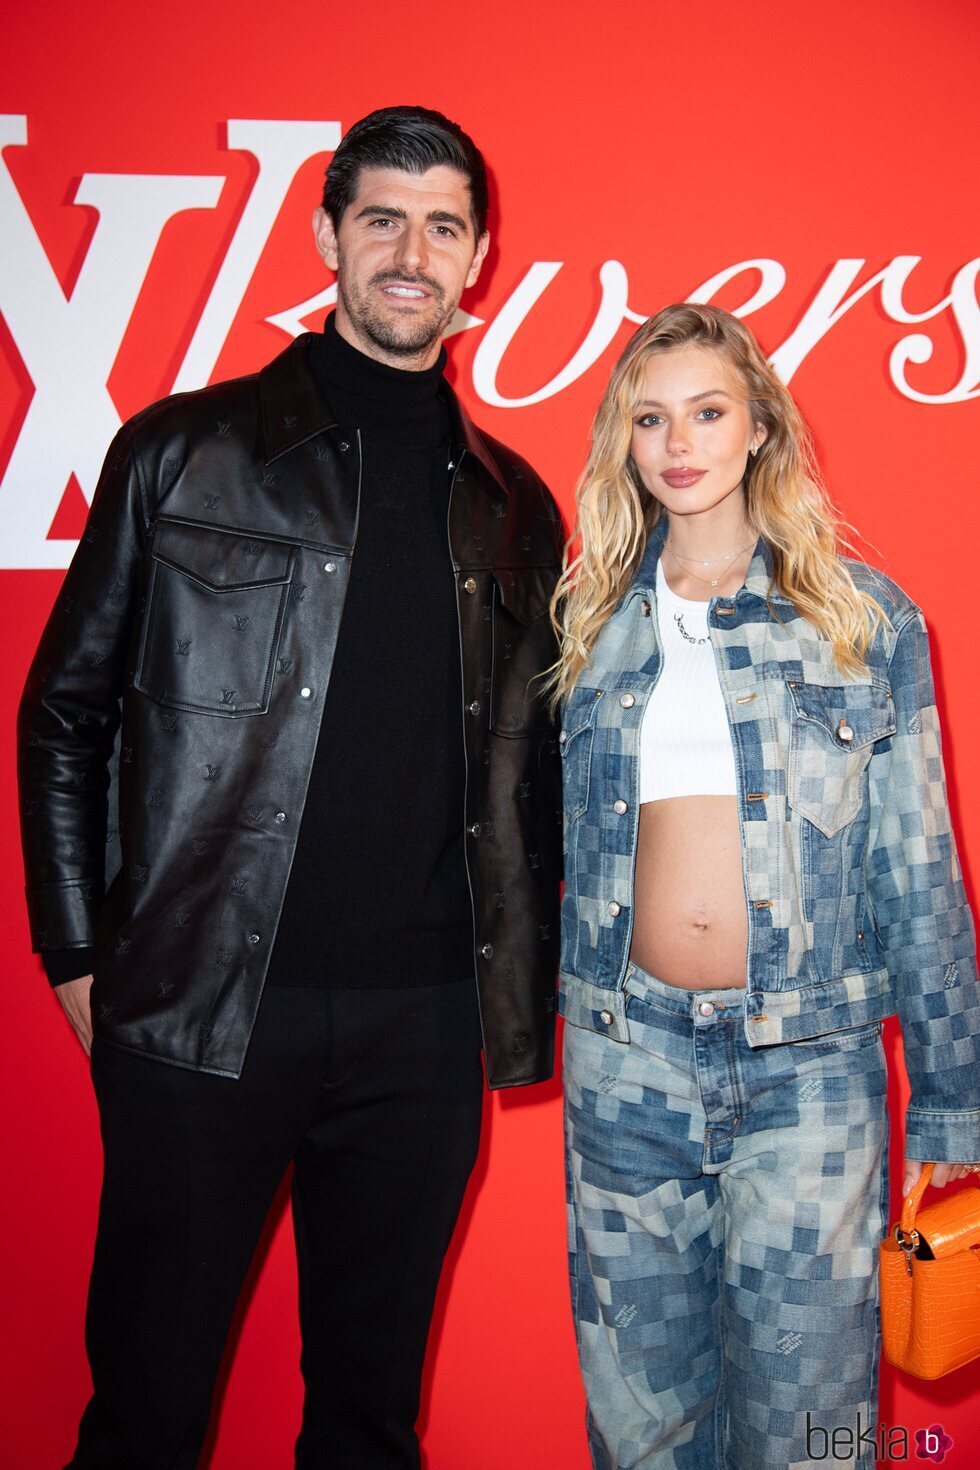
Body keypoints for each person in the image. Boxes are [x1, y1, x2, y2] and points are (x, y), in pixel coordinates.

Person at [17, 105, 564, 1470]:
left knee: (370, 1420)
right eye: (381, 216)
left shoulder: (515, 506)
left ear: (478, 258)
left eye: (442, 225)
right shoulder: (180, 450)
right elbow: (61, 713)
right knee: (145, 1407)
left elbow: (533, 773)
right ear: (325, 235)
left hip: (422, 1033)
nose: (410, 250)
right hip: (203, 1011)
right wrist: (82, 951)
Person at [551, 302, 980, 1469]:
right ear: (621, 441)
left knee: (819, 1431)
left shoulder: (861, 621)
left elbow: (919, 864)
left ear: (757, 431)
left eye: (705, 412)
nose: (677, 442)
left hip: (813, 1077)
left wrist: (951, 1100)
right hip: (623, 1062)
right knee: (640, 1429)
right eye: (649, 418)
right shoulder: (581, 627)